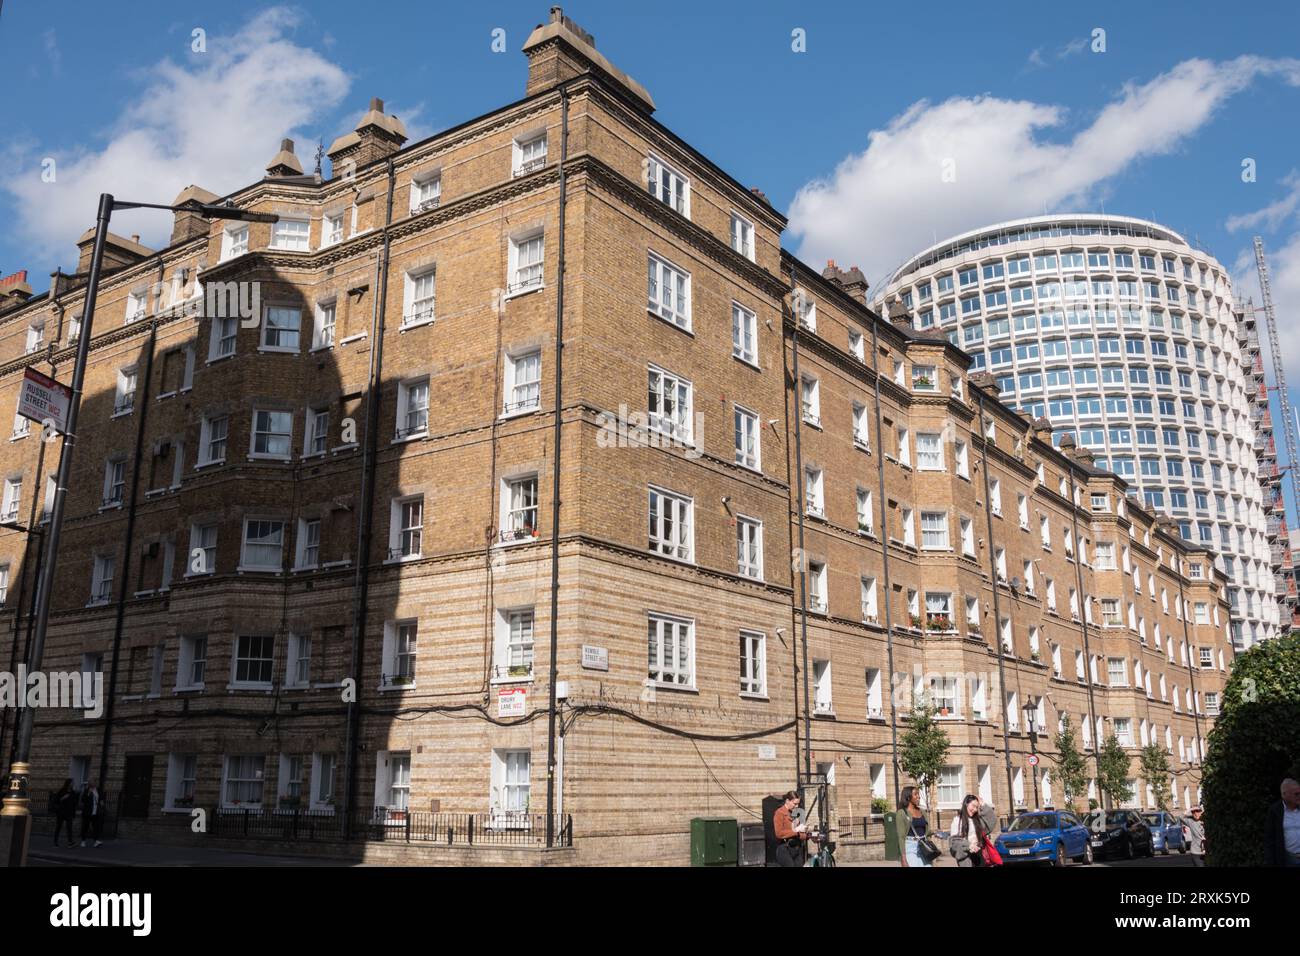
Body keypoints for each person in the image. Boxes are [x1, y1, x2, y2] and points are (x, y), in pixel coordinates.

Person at [1263, 778, 1300, 867]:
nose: (1299, 796)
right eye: (1296, 794)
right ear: (1284, 794)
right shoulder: (1275, 811)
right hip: (1288, 860)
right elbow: (1270, 839)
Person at [773, 790, 815, 867]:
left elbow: (799, 834)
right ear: (787, 801)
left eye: (798, 804)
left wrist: (808, 835)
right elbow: (778, 833)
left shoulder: (794, 814)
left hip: (796, 848)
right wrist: (796, 830)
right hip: (784, 849)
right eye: (795, 804)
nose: (797, 806)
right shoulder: (779, 813)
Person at [895, 785, 934, 867]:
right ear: (908, 797)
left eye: (918, 794)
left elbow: (926, 831)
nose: (918, 797)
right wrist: (903, 858)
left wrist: (935, 832)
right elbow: (901, 837)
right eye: (915, 794)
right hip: (910, 847)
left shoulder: (922, 811)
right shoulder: (901, 813)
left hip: (923, 847)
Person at [950, 794, 988, 867]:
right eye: (973, 806)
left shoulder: (977, 819)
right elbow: (954, 843)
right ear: (966, 803)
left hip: (979, 855)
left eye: (977, 807)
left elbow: (991, 823)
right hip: (966, 857)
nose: (975, 809)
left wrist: (983, 804)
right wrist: (968, 846)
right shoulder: (957, 821)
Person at [53, 779, 78, 847]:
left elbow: (74, 804)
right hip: (61, 812)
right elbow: (56, 800)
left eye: (73, 783)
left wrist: (73, 813)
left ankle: (70, 842)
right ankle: (55, 841)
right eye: (72, 783)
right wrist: (63, 798)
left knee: (69, 828)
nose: (73, 784)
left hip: (69, 813)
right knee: (58, 827)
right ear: (69, 783)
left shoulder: (73, 792)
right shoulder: (62, 791)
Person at [80, 782, 103, 848]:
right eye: (93, 782)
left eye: (94, 782)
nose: (94, 783)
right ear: (90, 784)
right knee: (85, 827)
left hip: (95, 812)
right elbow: (83, 800)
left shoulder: (97, 790)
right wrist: (88, 793)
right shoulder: (87, 790)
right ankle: (83, 841)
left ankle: (96, 841)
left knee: (96, 827)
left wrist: (101, 801)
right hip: (87, 812)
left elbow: (100, 797)